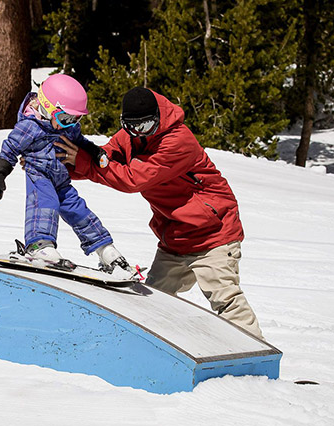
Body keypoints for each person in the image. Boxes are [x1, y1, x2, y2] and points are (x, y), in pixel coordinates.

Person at [54, 86, 263, 339]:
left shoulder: (178, 140)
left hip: (213, 235)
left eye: (144, 126)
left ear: (158, 118)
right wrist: (59, 166)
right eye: (130, 127)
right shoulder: (129, 135)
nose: (137, 133)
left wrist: (84, 164)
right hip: (176, 238)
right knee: (153, 303)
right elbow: (104, 160)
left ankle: (256, 358)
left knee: (225, 299)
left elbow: (134, 179)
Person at [0, 74, 131, 274]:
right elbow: (10, 148)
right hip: (39, 176)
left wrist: (95, 151)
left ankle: (105, 249)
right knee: (46, 204)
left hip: (62, 179)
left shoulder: (68, 126)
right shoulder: (30, 127)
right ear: (47, 108)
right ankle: (39, 245)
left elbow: (79, 140)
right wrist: (0, 173)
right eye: (65, 118)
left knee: (79, 210)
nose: (70, 124)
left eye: (76, 118)